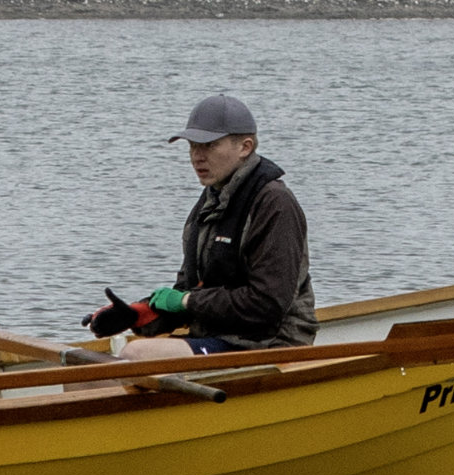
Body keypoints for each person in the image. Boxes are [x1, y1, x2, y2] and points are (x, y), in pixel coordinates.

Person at [86, 94, 314, 360]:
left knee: (136, 354)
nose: (197, 156)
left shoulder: (275, 204)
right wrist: (138, 314)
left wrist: (186, 302)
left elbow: (266, 305)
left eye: (209, 145)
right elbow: (190, 287)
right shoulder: (210, 200)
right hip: (217, 337)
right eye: (192, 146)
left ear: (245, 146)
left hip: (270, 344)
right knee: (85, 364)